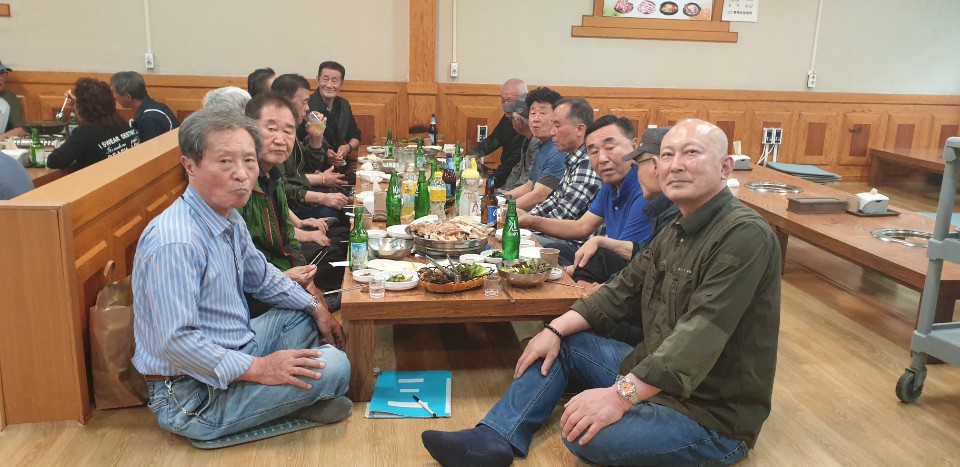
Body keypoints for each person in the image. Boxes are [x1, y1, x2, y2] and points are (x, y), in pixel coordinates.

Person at [422, 118, 782, 466]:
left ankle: (628, 407)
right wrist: (553, 329)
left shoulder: (743, 234)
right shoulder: (677, 227)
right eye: (667, 155)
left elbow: (698, 336)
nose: (675, 165)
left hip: (709, 413)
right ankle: (493, 438)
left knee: (582, 434)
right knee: (561, 343)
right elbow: (620, 290)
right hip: (654, 375)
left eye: (691, 153)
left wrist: (619, 398)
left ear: (725, 167)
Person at [132, 108, 351, 442]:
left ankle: (276, 401)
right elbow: (177, 342)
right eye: (225, 162)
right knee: (335, 366)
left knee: (302, 314)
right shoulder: (175, 241)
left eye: (249, 161)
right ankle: (254, 414)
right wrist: (262, 369)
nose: (242, 174)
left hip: (238, 349)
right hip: (190, 393)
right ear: (189, 165)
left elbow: (262, 277)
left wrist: (316, 307)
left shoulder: (229, 216)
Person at [240, 91, 346, 315]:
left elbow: (288, 239)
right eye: (271, 129)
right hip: (254, 296)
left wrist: (310, 288)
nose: (280, 139)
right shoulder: (239, 185)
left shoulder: (272, 177)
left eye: (288, 131)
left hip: (279, 278)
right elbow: (243, 265)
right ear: (248, 130)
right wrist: (300, 292)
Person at [520, 115, 651, 279]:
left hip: (626, 273)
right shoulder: (610, 184)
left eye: (610, 148)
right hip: (607, 260)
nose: (602, 159)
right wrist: (530, 220)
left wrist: (567, 271)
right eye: (594, 152)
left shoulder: (645, 189)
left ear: (634, 146)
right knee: (551, 251)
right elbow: (582, 227)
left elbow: (626, 258)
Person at [564, 125, 680, 292]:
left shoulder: (669, 209)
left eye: (637, 165)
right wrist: (600, 241)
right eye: (594, 152)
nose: (602, 159)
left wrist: (604, 289)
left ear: (656, 165)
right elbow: (645, 254)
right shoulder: (660, 207)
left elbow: (643, 267)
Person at [271, 74, 348, 221]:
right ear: (285, 102)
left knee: (345, 200)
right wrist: (322, 194)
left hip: (300, 198)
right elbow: (280, 187)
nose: (307, 108)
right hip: (288, 209)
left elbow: (309, 167)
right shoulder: (276, 138)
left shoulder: (293, 129)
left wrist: (316, 138)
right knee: (337, 212)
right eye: (304, 102)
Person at [525, 98, 602, 247]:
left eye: (557, 126)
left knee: (516, 240)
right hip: (561, 239)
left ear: (580, 129)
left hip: (576, 246)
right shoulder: (573, 158)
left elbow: (564, 214)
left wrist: (528, 223)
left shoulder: (587, 163)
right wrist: (524, 218)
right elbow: (555, 200)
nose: (552, 132)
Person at [47, 78, 139, 170]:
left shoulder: (84, 133)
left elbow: (54, 161)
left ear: (81, 109)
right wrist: (78, 102)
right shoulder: (120, 122)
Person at [503, 87, 567, 211]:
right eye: (532, 113)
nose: (536, 119)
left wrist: (502, 210)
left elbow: (539, 195)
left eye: (542, 113)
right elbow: (529, 186)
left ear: (557, 118)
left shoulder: (559, 149)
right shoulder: (541, 144)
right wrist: (499, 200)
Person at [471, 78, 528, 188]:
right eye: (502, 100)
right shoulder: (509, 115)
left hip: (514, 181)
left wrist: (490, 180)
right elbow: (494, 139)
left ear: (523, 99)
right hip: (506, 175)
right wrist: (470, 156)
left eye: (509, 100)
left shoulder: (527, 127)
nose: (505, 105)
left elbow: (511, 166)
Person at [307, 61, 360, 171]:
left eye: (334, 81)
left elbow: (355, 135)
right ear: (318, 80)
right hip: (315, 168)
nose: (329, 85)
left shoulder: (344, 105)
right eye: (325, 79)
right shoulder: (307, 106)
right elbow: (302, 141)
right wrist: (325, 154)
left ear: (341, 84)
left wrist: (347, 147)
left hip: (341, 166)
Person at [110, 71, 179, 142]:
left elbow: (152, 148)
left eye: (114, 92)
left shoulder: (150, 119)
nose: (113, 96)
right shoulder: (156, 107)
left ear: (128, 97)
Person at [496, 96, 539, 194]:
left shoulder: (536, 143)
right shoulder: (526, 140)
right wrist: (501, 191)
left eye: (512, 118)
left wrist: (504, 195)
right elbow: (516, 170)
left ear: (518, 122)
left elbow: (527, 179)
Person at [0, 59, 26, 139]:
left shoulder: (9, 97)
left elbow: (21, 129)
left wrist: (2, 138)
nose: (1, 78)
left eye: (2, 73)